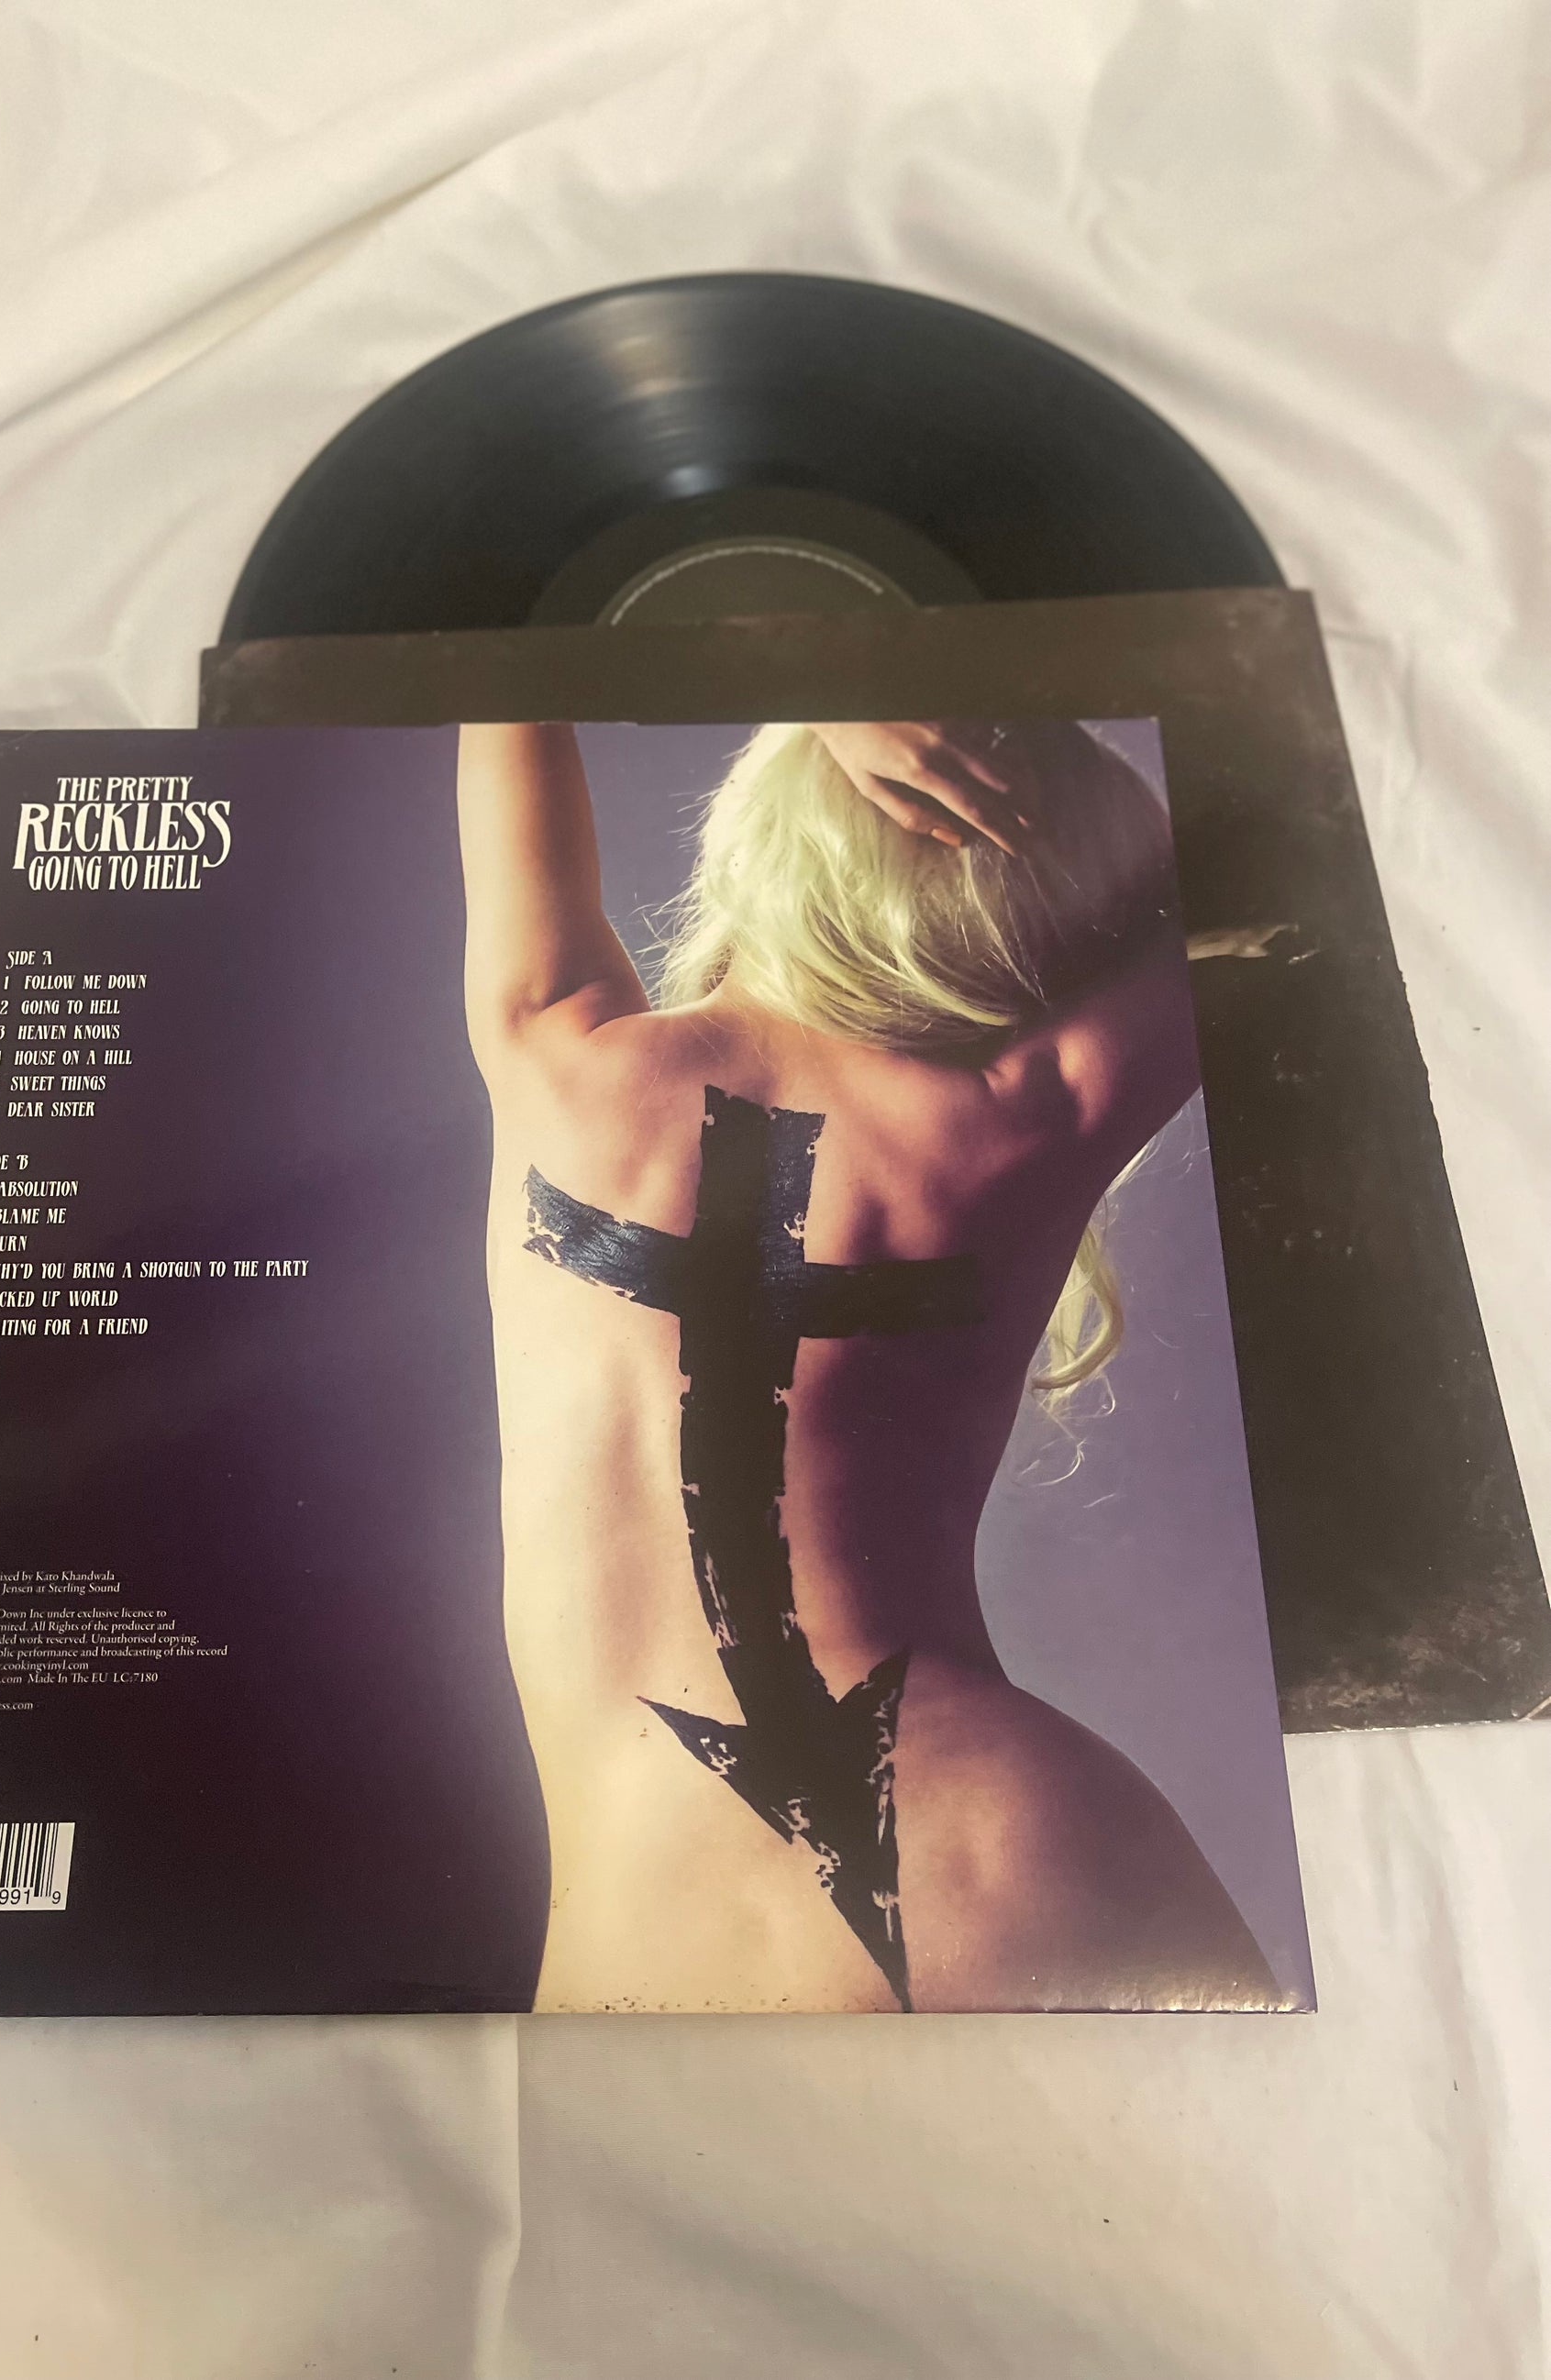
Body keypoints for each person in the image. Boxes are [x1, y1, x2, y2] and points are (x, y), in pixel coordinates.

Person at [456, 717, 1275, 2013]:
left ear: (763, 843)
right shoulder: (1029, 1112)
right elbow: (1304, 895)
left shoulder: (555, 1050)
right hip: (993, 1850)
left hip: (634, 1930)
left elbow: (504, 693)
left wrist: (828, 700)